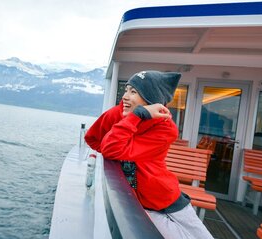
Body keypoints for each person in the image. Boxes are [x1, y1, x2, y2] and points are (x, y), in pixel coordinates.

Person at [85, 70, 213, 239]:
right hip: (141, 205)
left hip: (167, 198)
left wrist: (138, 115)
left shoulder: (166, 128)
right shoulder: (117, 114)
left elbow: (113, 148)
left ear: (151, 99)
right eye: (126, 90)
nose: (125, 97)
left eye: (133, 92)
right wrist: (118, 160)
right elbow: (93, 139)